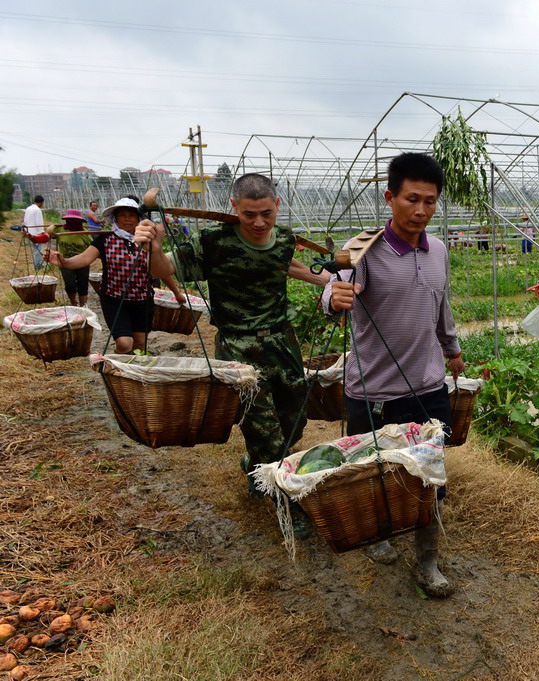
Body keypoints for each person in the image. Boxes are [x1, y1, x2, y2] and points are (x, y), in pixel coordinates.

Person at [134, 173, 329, 536]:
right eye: (249, 214)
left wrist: (327, 281)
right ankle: (287, 503)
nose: (258, 223)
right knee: (265, 430)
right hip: (238, 347)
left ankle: (254, 462)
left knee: (295, 418)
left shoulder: (285, 239)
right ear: (234, 207)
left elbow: (281, 264)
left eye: (266, 214)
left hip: (281, 342)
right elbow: (164, 270)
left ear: (277, 207)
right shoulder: (214, 242)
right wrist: (154, 248)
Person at [325, 152, 464, 598]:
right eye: (411, 200)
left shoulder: (439, 249)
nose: (420, 211)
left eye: (430, 201)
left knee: (430, 477)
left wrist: (452, 349)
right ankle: (379, 533)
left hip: (427, 385)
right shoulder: (363, 248)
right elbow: (331, 293)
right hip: (373, 391)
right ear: (390, 198)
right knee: (373, 474)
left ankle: (427, 561)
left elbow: (441, 306)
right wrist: (335, 297)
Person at [45, 197, 185, 354]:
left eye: (131, 215)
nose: (127, 219)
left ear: (138, 218)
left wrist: (177, 293)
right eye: (122, 215)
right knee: (125, 343)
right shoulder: (105, 239)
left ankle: (132, 375)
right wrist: (64, 262)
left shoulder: (147, 241)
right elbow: (84, 258)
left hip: (142, 299)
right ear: (115, 218)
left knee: (140, 343)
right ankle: (116, 366)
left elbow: (160, 269)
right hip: (114, 299)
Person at [46, 209, 92, 307]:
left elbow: (91, 248)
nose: (72, 223)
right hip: (64, 261)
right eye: (69, 221)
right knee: (70, 285)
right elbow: (49, 233)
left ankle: (83, 305)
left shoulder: (84, 233)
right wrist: (51, 228)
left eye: (75, 221)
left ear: (80, 222)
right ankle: (73, 303)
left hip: (81, 262)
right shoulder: (61, 230)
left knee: (82, 285)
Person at [23, 195, 48, 271]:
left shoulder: (28, 208)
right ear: (41, 202)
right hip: (35, 233)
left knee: (35, 250)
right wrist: (42, 232)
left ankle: (37, 264)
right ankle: (38, 267)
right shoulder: (37, 210)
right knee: (38, 250)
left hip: (29, 232)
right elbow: (39, 222)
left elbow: (25, 220)